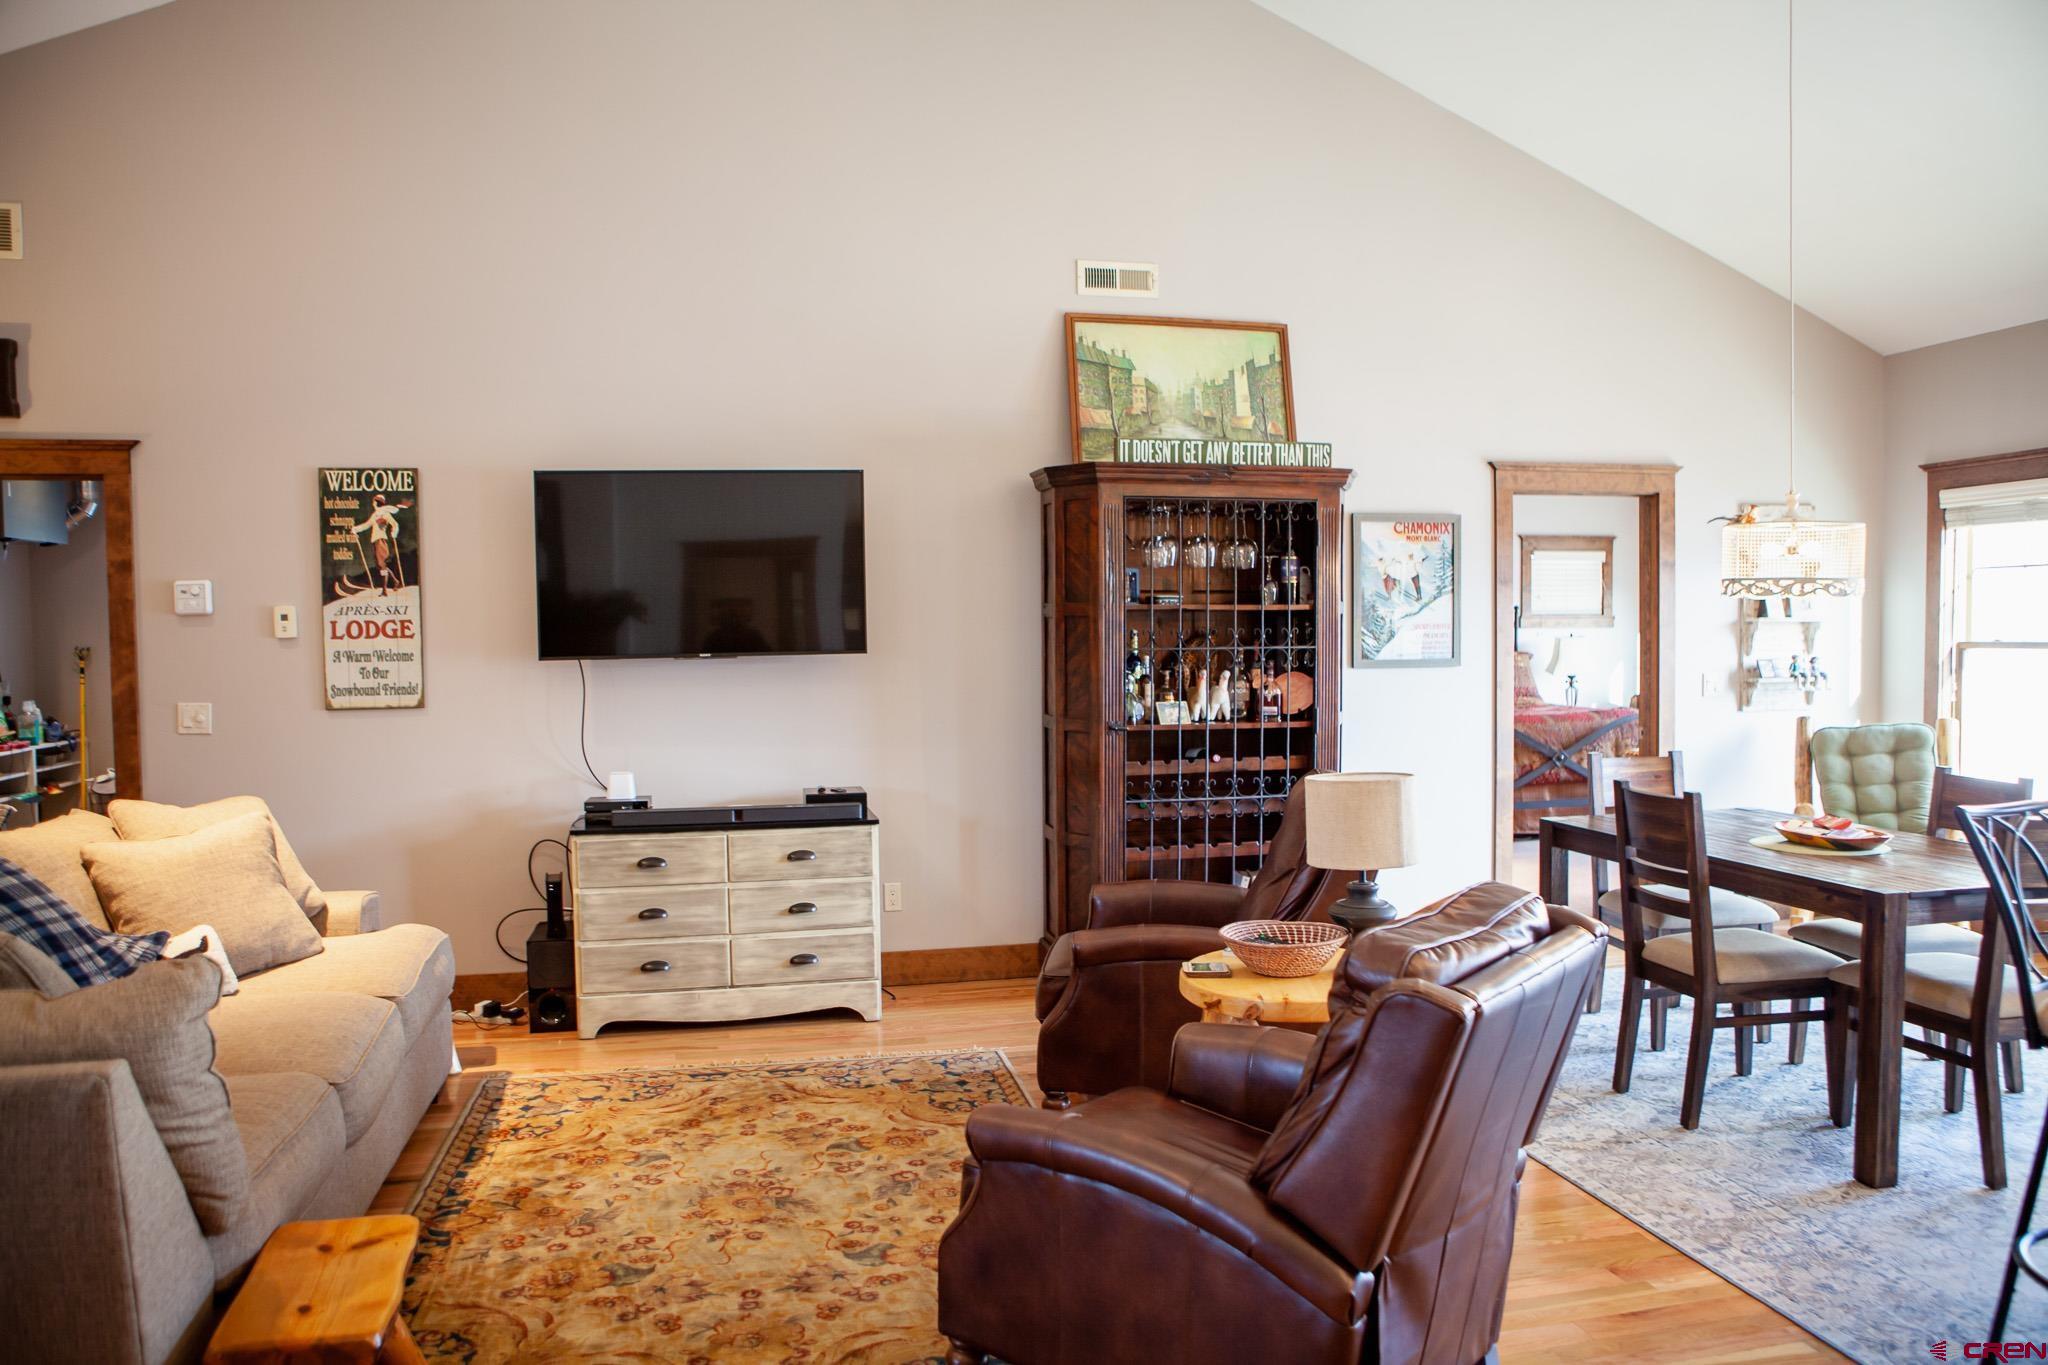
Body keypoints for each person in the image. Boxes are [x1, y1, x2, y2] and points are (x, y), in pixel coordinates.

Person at [352, 493, 413, 595]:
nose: (372, 503)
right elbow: (366, 525)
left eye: (374, 501)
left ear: (377, 502)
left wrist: (394, 533)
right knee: (381, 566)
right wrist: (355, 529)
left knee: (382, 565)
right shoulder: (375, 514)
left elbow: (395, 524)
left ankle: (384, 590)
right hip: (375, 541)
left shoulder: (385, 513)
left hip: (381, 541)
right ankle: (395, 581)